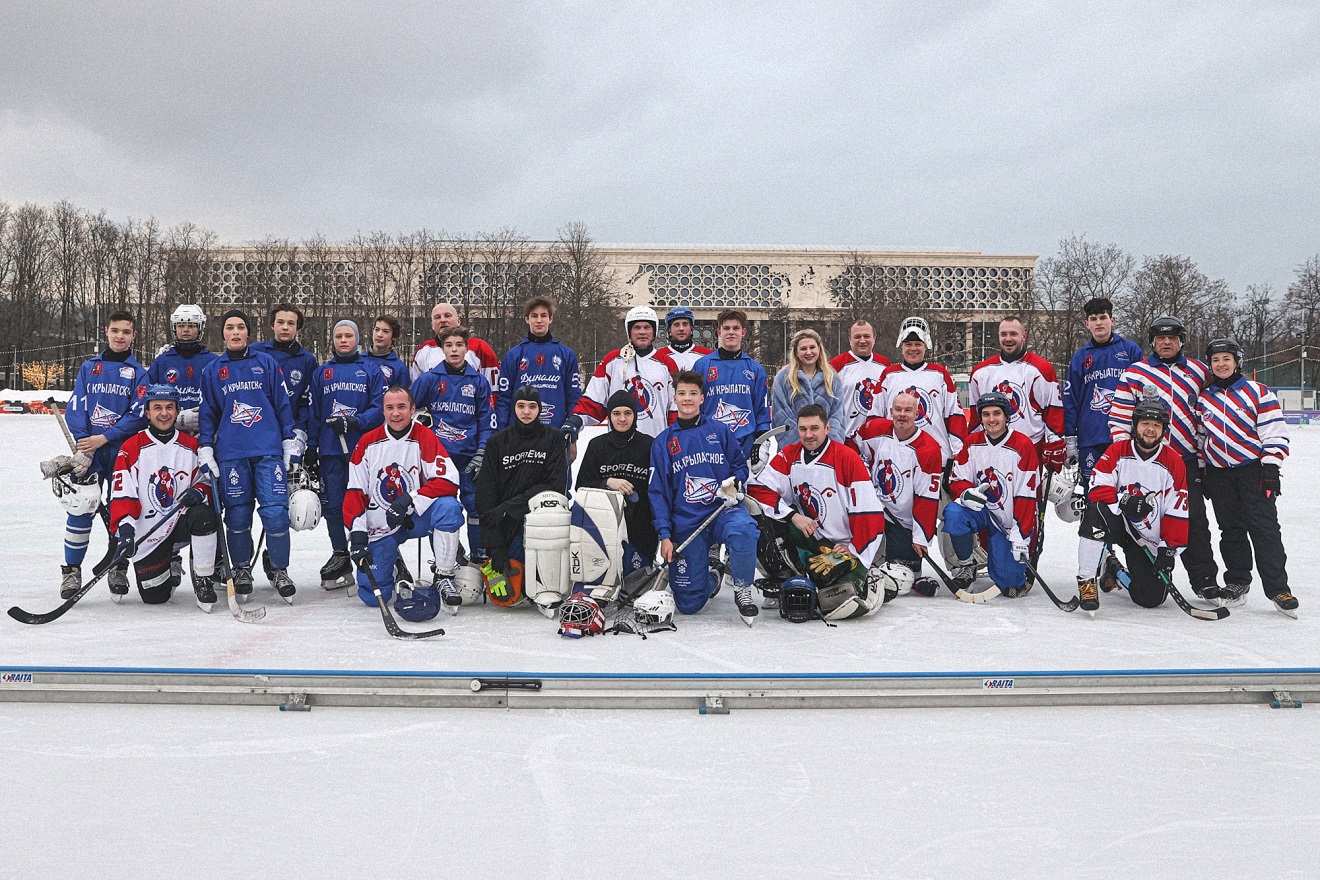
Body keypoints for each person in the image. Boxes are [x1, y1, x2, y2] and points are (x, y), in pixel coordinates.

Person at [1108, 315, 1219, 597]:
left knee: (1194, 522)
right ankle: (1134, 570)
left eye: (1172, 338)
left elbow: (1214, 407)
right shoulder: (1136, 373)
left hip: (1185, 462)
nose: (1166, 342)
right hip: (1146, 465)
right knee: (1145, 520)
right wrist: (1128, 460)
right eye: (1160, 338)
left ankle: (1204, 580)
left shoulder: (1198, 371)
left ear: (1181, 340)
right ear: (1153, 342)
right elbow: (1120, 420)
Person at [198, 309, 301, 602]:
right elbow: (208, 414)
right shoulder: (213, 370)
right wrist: (205, 446)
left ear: (248, 333)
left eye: (240, 328)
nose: (235, 332)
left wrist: (288, 440)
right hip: (231, 453)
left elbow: (282, 405)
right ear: (223, 333)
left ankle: (280, 569)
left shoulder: (266, 363)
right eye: (229, 328)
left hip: (267, 451)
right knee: (238, 515)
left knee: (276, 514)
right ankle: (242, 569)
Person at [748, 404, 886, 618]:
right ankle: (784, 577)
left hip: (844, 546)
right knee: (758, 520)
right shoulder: (790, 455)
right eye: (803, 429)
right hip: (811, 536)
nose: (808, 435)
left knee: (842, 596)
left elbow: (870, 512)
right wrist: (793, 515)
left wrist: (854, 549)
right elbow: (758, 489)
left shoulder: (846, 458)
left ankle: (871, 578)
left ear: (827, 428)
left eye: (814, 428)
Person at [649, 370, 761, 625]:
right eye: (682, 394)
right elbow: (658, 492)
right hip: (688, 522)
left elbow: (739, 466)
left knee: (744, 529)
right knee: (689, 604)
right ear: (674, 398)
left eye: (693, 394)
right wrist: (665, 536)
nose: (687, 399)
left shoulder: (720, 431)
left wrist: (735, 483)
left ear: (702, 398)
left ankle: (743, 589)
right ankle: (713, 572)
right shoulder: (664, 442)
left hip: (722, 511)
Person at [344, 386, 467, 617]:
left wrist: (410, 499)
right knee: (372, 596)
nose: (396, 413)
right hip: (380, 525)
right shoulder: (367, 443)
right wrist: (358, 537)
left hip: (416, 517)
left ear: (412, 409)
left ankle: (443, 575)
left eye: (402, 407)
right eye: (390, 408)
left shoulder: (424, 436)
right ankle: (392, 564)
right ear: (383, 411)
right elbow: (354, 492)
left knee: (449, 509)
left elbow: (448, 480)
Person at [1195, 337, 1297, 615]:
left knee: (1264, 530)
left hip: (1253, 471)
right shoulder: (1205, 399)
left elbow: (1274, 433)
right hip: (1219, 474)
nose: (1221, 364)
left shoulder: (1258, 392)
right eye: (1216, 360)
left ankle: (1278, 588)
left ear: (1237, 362)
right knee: (1231, 530)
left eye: (1226, 359)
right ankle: (1237, 582)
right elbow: (1201, 439)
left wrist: (1270, 468)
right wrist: (1204, 471)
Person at [57, 310, 149, 599]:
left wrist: (105, 437)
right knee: (81, 506)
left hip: (122, 452)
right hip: (90, 451)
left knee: (122, 511)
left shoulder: (139, 373)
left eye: (126, 331)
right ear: (106, 332)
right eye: (115, 331)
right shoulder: (89, 368)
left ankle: (118, 566)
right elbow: (76, 406)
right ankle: (72, 571)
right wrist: (85, 441)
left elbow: (138, 415)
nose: (120, 336)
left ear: (134, 336)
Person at [108, 384, 219, 608]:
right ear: (147, 413)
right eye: (157, 408)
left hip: (180, 525)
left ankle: (203, 577)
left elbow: (207, 483)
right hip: (148, 534)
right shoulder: (132, 447)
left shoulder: (192, 446)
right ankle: (169, 563)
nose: (164, 413)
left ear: (177, 411)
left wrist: (199, 491)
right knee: (155, 597)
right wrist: (126, 529)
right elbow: (122, 492)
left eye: (170, 407)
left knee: (205, 515)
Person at [1075, 398, 1187, 613]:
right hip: (1118, 523)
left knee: (1150, 598)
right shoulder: (1118, 450)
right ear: (1135, 425)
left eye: (1156, 425)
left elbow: (1178, 509)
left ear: (1164, 430)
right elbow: (1097, 488)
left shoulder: (1174, 462)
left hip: (1146, 536)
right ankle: (1087, 581)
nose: (1150, 430)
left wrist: (1168, 549)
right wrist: (1124, 500)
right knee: (1095, 510)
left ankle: (1115, 572)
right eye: (1145, 423)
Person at [307, 320, 385, 589]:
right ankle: (340, 553)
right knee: (333, 505)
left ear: (357, 338)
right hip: (331, 450)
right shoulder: (322, 373)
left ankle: (377, 550)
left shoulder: (370, 370)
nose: (343, 340)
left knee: (366, 502)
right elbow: (315, 412)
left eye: (348, 335)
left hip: (362, 450)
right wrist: (311, 447)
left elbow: (380, 407)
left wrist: (356, 422)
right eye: (338, 336)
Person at [476, 386, 569, 606]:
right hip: (506, 523)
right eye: (521, 406)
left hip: (541, 520)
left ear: (540, 409)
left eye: (532, 406)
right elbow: (486, 495)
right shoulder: (497, 442)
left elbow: (554, 486)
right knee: (512, 592)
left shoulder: (554, 439)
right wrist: (495, 546)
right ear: (514, 408)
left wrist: (510, 506)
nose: (526, 412)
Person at [411, 326, 496, 566]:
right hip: (440, 458)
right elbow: (409, 409)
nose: (454, 350)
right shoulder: (430, 379)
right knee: (441, 508)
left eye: (459, 345)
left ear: (466, 348)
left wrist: (482, 451)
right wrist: (421, 430)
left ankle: (480, 556)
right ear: (442, 349)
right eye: (449, 345)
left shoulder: (478, 382)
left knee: (475, 506)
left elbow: (485, 420)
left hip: (469, 456)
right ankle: (446, 559)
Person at [941, 391, 1039, 597]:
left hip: (1008, 522)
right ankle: (967, 565)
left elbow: (1027, 495)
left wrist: (1021, 534)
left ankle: (1011, 562)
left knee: (1009, 583)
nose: (992, 419)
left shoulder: (1022, 445)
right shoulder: (972, 442)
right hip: (983, 513)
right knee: (954, 512)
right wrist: (966, 493)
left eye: (997, 413)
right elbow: (957, 479)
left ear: (1006, 416)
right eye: (986, 414)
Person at [850, 391, 944, 595]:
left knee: (904, 576)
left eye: (908, 410)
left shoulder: (928, 449)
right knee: (862, 565)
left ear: (917, 413)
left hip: (903, 520)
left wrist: (921, 537)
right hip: (874, 509)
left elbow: (927, 498)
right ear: (890, 411)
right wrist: (860, 468)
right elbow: (850, 446)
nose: (902, 414)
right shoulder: (874, 429)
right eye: (898, 410)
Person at [1062, 297, 1143, 491]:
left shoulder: (1130, 350)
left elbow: (1143, 392)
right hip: (1090, 436)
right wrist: (1070, 437)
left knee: (1126, 492)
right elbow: (1071, 398)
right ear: (1086, 324)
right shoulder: (1081, 356)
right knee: (1093, 493)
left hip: (1125, 436)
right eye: (1093, 318)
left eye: (1103, 317)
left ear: (1112, 320)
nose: (1099, 322)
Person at [575, 390, 658, 577]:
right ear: (609, 416)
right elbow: (581, 486)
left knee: (633, 585)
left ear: (635, 415)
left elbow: (657, 490)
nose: (622, 419)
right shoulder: (597, 445)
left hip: (639, 527)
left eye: (627, 413)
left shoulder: (649, 445)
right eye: (616, 413)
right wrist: (607, 482)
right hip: (603, 526)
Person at [967, 315, 1066, 472]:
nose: (1008, 339)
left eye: (1013, 334)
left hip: (1031, 447)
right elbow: (975, 416)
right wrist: (971, 445)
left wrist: (1055, 442)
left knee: (1028, 496)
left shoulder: (1041, 369)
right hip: (991, 447)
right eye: (1003, 334)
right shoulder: (981, 372)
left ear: (1023, 336)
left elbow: (1053, 411)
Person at [566, 306, 678, 441]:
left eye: (647, 327)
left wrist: (676, 438)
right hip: (619, 446)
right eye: (637, 327)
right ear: (629, 331)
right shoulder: (613, 360)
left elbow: (675, 408)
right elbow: (594, 400)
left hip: (655, 443)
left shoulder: (667, 364)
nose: (642, 332)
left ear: (654, 331)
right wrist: (575, 421)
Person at [877, 316, 966, 466]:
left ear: (926, 345)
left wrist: (959, 454)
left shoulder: (939, 374)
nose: (913, 349)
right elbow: (876, 417)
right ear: (901, 346)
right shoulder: (889, 375)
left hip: (936, 457)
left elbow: (955, 415)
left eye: (918, 344)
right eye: (908, 344)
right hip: (896, 457)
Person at [692, 309, 772, 461]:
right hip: (711, 441)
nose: (731, 332)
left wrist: (762, 442)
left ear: (743, 332)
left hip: (745, 443)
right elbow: (695, 406)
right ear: (718, 332)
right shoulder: (702, 366)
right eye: (726, 328)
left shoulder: (755, 369)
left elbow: (761, 410)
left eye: (735, 328)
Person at [495, 296, 581, 430]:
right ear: (526, 319)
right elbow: (504, 399)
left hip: (556, 433)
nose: (539, 320)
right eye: (534, 316)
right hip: (519, 434)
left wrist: (572, 433)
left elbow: (573, 397)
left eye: (543, 315)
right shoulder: (513, 355)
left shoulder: (566, 355)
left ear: (550, 319)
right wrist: (500, 433)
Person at [251, 304, 318, 453]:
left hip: (289, 434)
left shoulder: (307, 360)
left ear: (298, 327)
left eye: (291, 323)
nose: (285, 327)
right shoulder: (256, 352)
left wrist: (300, 432)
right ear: (272, 325)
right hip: (255, 430)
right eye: (280, 322)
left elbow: (306, 402)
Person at [145, 304, 220, 436]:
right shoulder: (162, 361)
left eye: (191, 326)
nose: (186, 330)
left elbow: (220, 399)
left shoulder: (213, 362)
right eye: (181, 326)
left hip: (205, 435)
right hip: (170, 434)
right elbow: (147, 397)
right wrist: (174, 418)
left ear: (200, 328)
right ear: (174, 328)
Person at [772, 328, 845, 446]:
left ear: (819, 349)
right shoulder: (783, 378)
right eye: (803, 349)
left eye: (812, 347)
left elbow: (838, 413)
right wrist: (799, 443)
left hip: (826, 449)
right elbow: (780, 414)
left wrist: (828, 444)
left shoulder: (832, 377)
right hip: (793, 448)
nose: (808, 352)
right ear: (796, 352)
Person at [410, 301, 500, 389]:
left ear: (458, 321)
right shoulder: (423, 350)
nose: (442, 320)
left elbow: (493, 389)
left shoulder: (480, 347)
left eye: (447, 315)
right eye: (437, 317)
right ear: (432, 325)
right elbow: (416, 389)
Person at [830, 319, 891, 439]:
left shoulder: (885, 365)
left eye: (866, 336)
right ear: (849, 340)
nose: (862, 340)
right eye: (857, 336)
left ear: (874, 338)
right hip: (846, 438)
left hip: (877, 438)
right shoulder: (836, 365)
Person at [656, 306, 712, 372]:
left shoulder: (708, 355)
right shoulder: (658, 356)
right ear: (669, 330)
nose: (681, 329)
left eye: (685, 324)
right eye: (676, 325)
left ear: (691, 328)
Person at [364, 313, 410, 392]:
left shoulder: (399, 368)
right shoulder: (360, 361)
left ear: (394, 336)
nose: (379, 335)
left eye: (385, 331)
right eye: (377, 329)